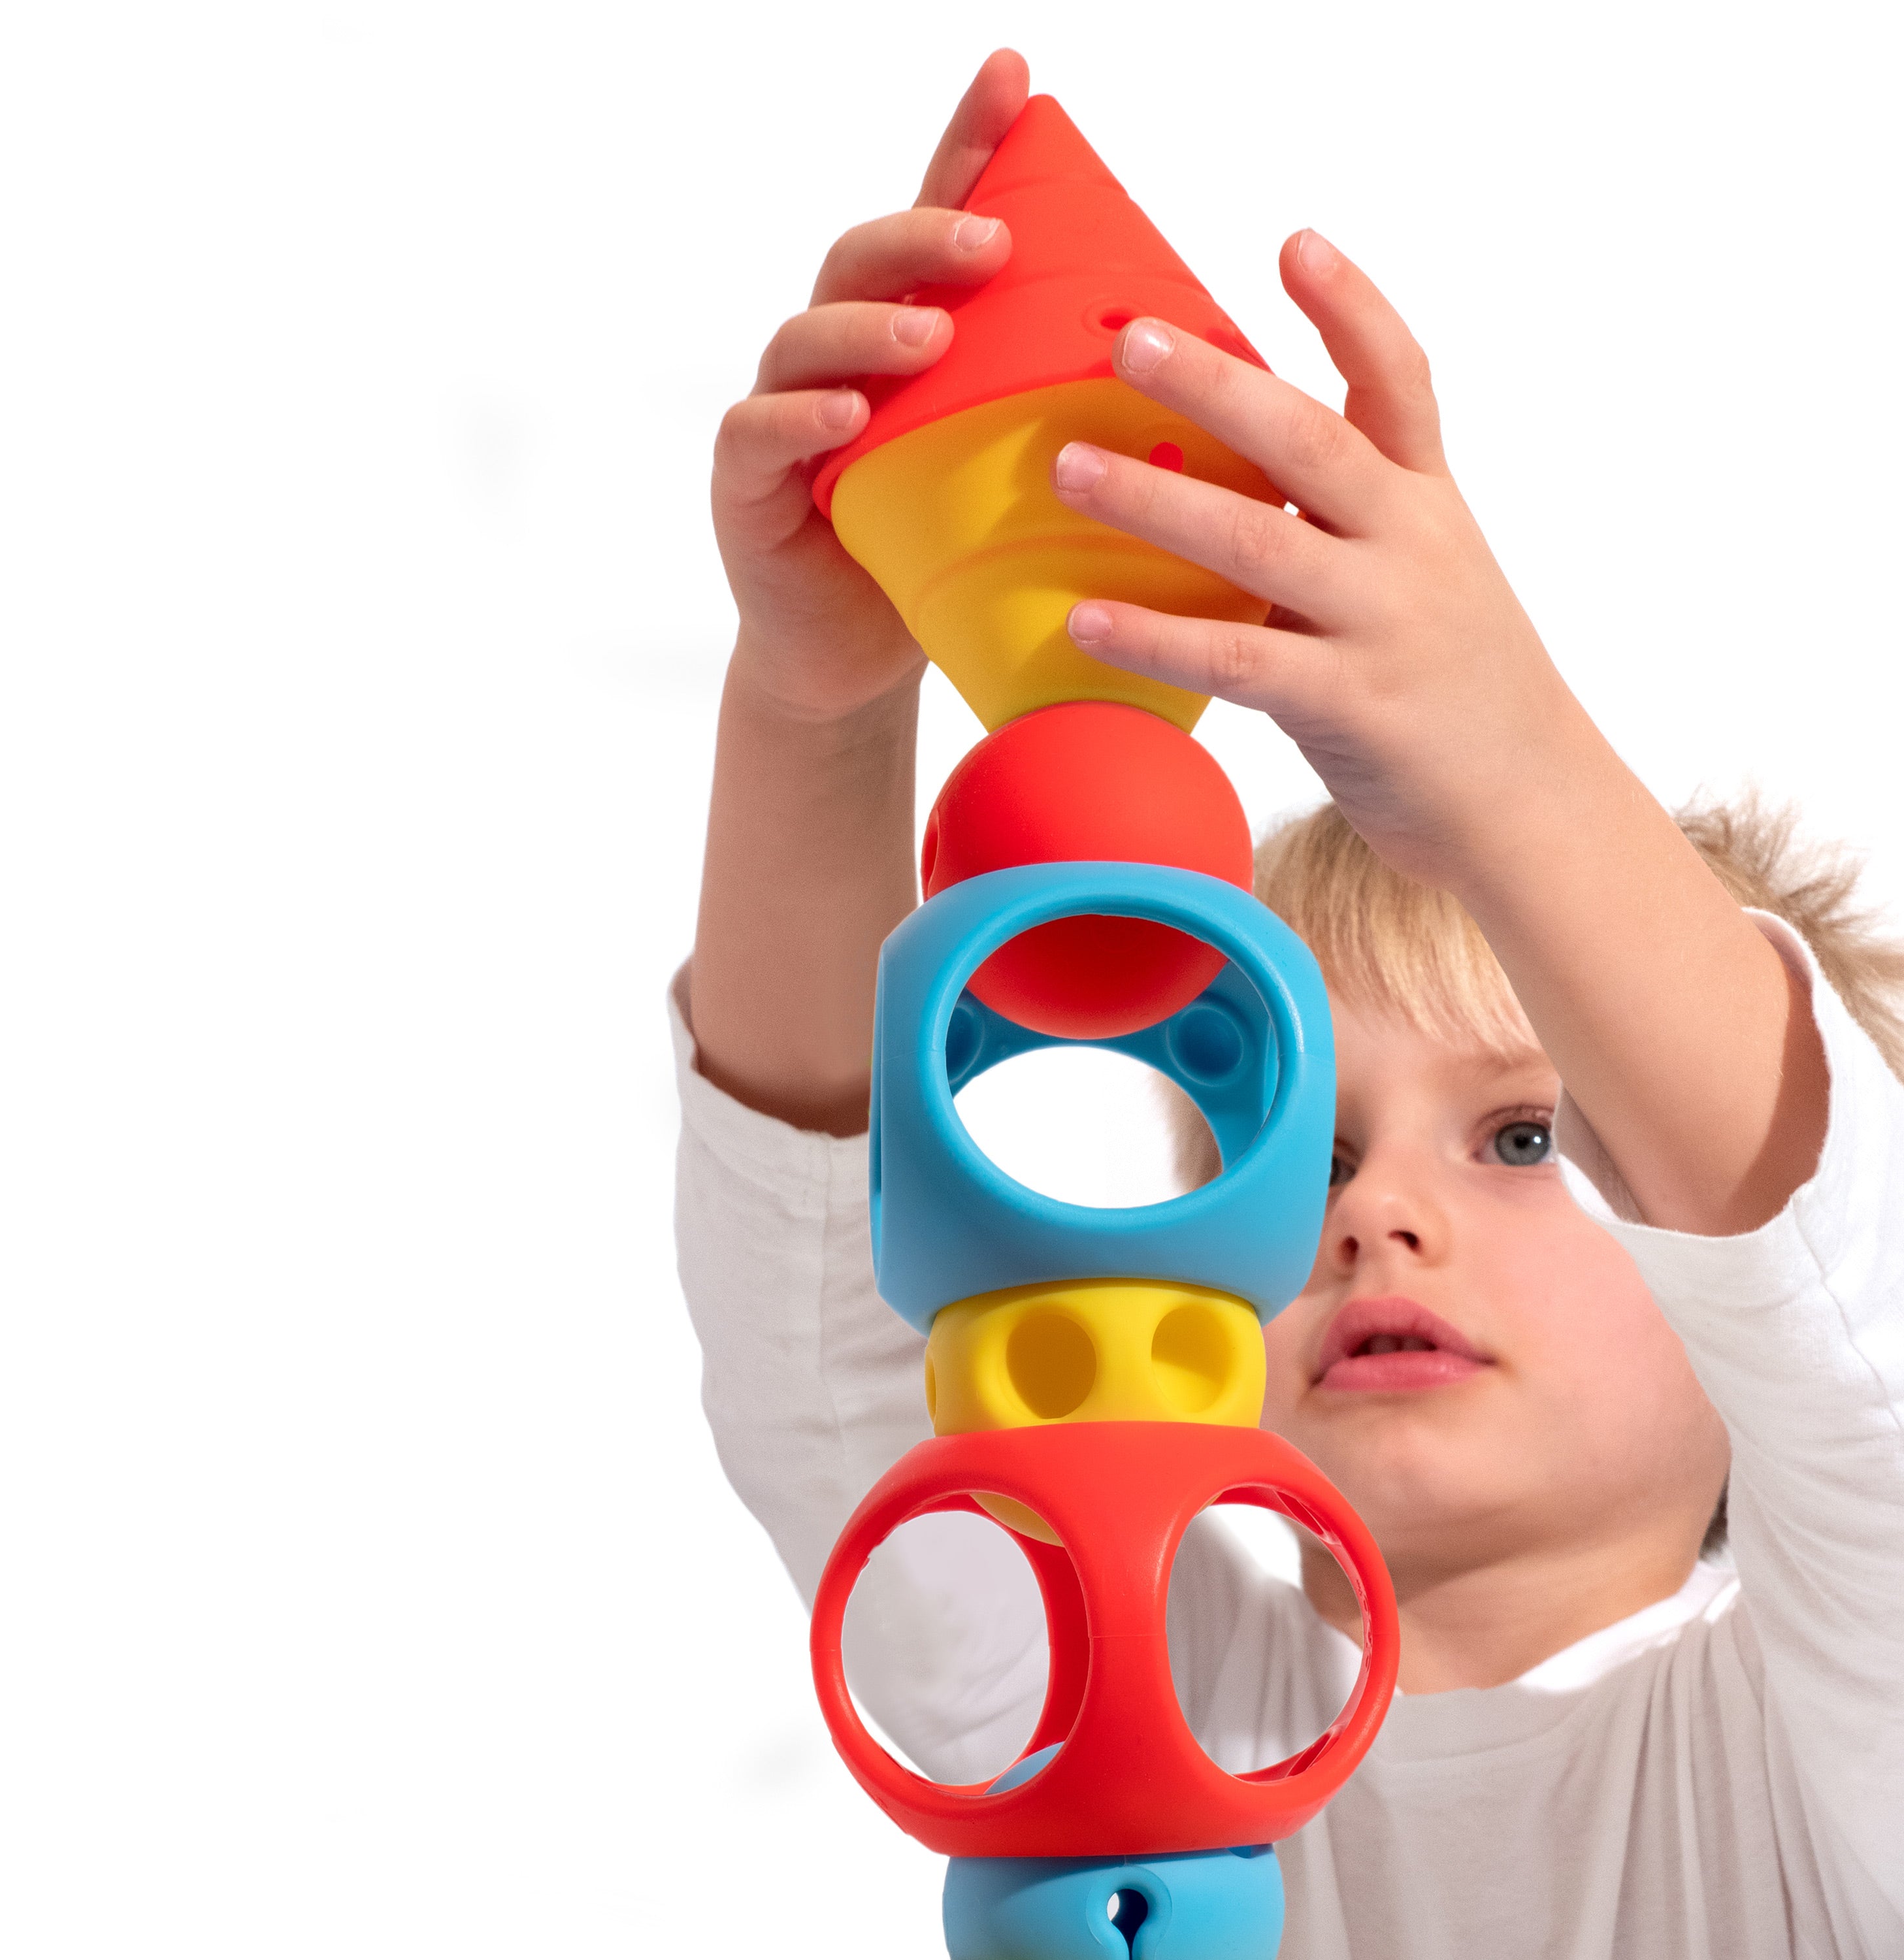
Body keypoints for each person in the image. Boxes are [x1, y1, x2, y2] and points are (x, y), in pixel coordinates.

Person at [676, 48, 1904, 1958]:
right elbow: (844, 1345)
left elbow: (1855, 1338)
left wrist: (1509, 769)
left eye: (1522, 1135)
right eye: (1305, 1146)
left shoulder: (1836, 1731)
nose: (1371, 1212)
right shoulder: (1131, 1673)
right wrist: (819, 707)